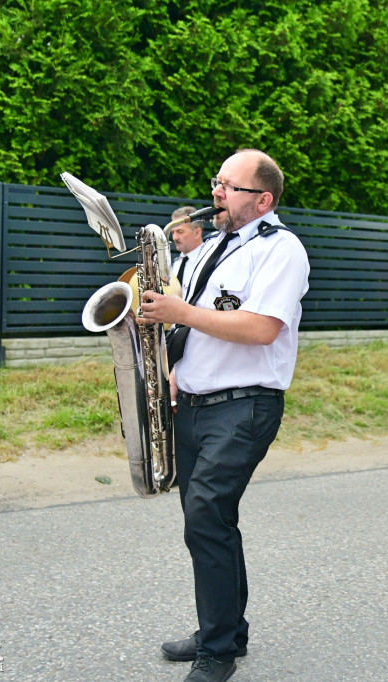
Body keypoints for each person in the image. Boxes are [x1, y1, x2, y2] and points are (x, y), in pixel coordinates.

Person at [138, 149, 310, 682]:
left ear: (263, 199)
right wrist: (172, 368)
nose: (215, 192)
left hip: (243, 407)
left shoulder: (282, 250)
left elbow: (262, 328)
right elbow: (199, 327)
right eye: (216, 182)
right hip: (192, 403)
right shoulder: (212, 247)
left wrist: (181, 313)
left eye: (229, 187)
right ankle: (226, 628)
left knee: (206, 518)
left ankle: (218, 651)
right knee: (210, 524)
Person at [170, 205, 207, 295]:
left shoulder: (208, 261)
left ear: (197, 233)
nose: (174, 238)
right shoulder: (175, 264)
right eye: (173, 232)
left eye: (180, 232)